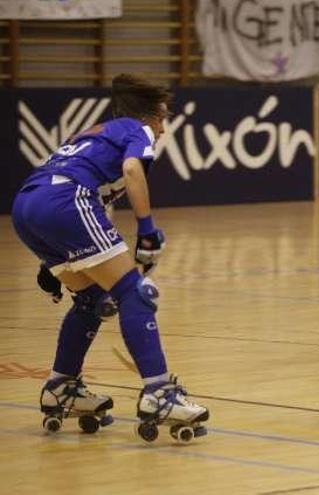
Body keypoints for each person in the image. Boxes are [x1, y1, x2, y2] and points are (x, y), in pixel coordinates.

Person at [11, 74, 209, 441]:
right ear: (147, 116)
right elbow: (133, 170)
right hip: (66, 202)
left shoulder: (93, 133)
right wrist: (147, 229)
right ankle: (159, 394)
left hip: (27, 205)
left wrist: (49, 261)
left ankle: (62, 385)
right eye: (162, 119)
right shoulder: (137, 130)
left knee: (91, 299)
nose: (162, 130)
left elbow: (92, 200)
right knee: (136, 294)